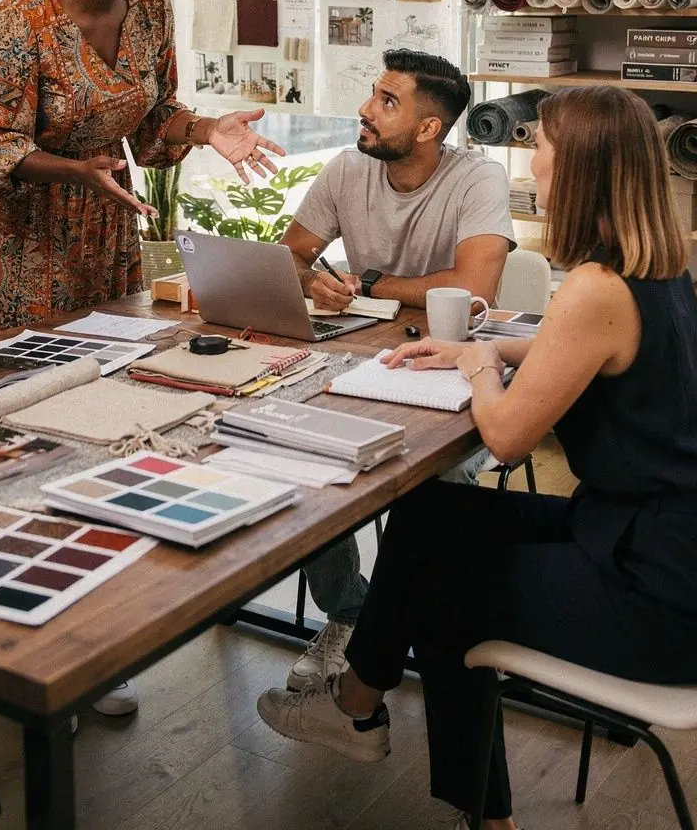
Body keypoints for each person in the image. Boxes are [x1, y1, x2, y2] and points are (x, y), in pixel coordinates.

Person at [257, 86, 697, 830]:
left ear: (579, 169)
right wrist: (486, 345)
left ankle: (487, 818)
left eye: (543, 150)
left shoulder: (593, 287)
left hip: (654, 594)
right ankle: (356, 708)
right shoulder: (661, 263)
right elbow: (598, 349)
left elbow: (504, 437)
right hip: (654, 539)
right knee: (431, 510)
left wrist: (477, 369)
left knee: (444, 592)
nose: (533, 162)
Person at [0, 0, 285, 716]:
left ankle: (92, 630)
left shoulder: (151, 7)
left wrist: (208, 130)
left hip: (101, 228)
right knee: (22, 422)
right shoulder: (17, 23)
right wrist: (78, 169)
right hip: (18, 237)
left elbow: (152, 117)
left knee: (109, 412)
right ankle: (2, 625)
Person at [279, 50, 513, 693]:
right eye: (372, 95)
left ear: (429, 128)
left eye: (387, 100)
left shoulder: (477, 179)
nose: (365, 109)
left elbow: (475, 287)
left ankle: (432, 625)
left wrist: (375, 284)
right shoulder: (347, 168)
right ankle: (353, 615)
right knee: (307, 459)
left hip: (456, 365)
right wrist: (315, 281)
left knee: (432, 487)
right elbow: (288, 256)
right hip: (359, 355)